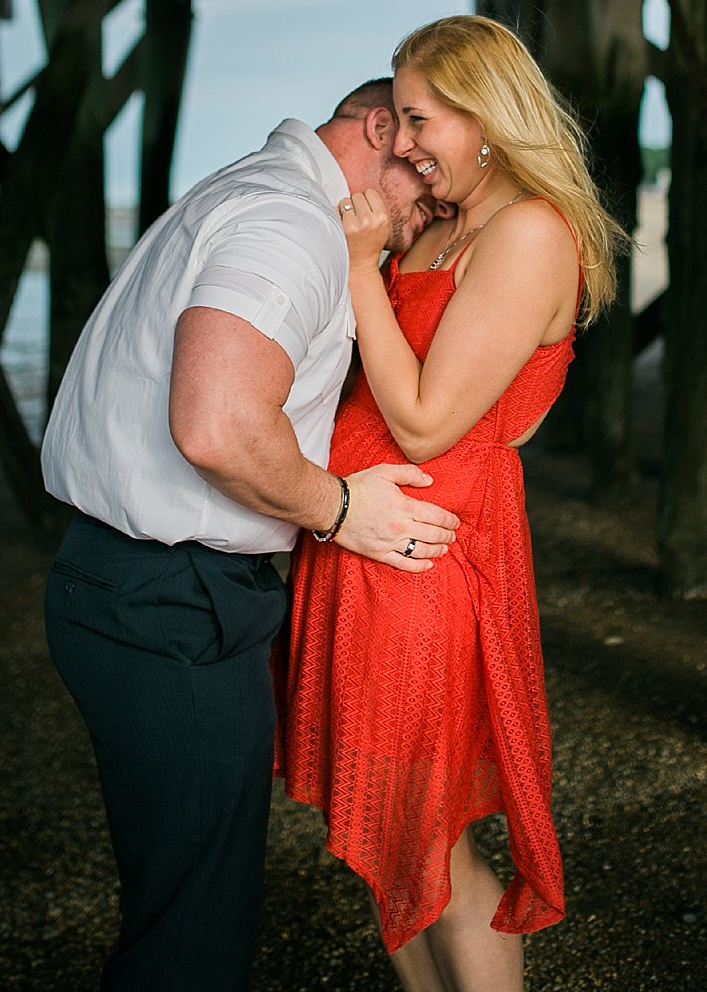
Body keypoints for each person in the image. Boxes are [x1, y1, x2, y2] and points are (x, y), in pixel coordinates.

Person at [42, 83, 462, 992]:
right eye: (424, 174)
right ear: (378, 127)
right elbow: (221, 426)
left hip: (131, 582)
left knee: (185, 886)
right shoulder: (288, 223)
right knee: (195, 919)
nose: (435, 203)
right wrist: (344, 510)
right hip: (168, 598)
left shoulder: (253, 192)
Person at [278, 14, 624, 992]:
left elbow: (428, 423)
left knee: (429, 844)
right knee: (389, 839)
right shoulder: (452, 224)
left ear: (484, 117)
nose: (405, 140)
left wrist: (357, 271)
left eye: (419, 117)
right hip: (361, 543)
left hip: (423, 562)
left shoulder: (525, 233)